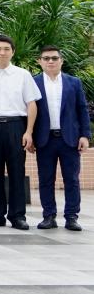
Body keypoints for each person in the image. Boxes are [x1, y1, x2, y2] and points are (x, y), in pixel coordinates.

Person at [0, 34, 40, 230]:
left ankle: (17, 215)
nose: (2, 53)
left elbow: (31, 104)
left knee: (17, 172)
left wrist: (28, 132)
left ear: (13, 51)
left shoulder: (23, 75)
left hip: (16, 127)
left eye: (6, 49)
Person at [31, 46, 91, 231]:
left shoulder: (74, 82)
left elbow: (82, 109)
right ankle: (49, 216)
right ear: (39, 61)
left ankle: (71, 216)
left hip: (70, 139)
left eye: (54, 58)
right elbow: (28, 112)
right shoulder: (34, 83)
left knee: (71, 179)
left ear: (61, 61)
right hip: (44, 139)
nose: (50, 61)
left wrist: (85, 135)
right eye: (46, 58)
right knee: (45, 179)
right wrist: (29, 135)